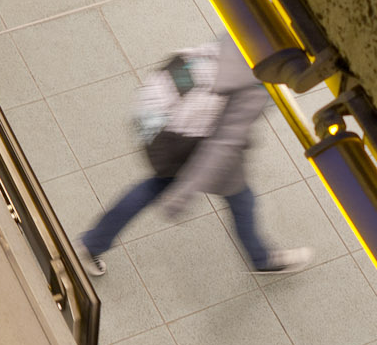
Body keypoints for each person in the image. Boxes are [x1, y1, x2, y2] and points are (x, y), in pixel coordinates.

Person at [74, 41, 313, 276]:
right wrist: (186, 191)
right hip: (181, 142)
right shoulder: (256, 87)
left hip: (160, 120)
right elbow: (223, 145)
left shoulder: (248, 33)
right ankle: (262, 259)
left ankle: (92, 243)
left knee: (159, 184)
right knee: (240, 197)